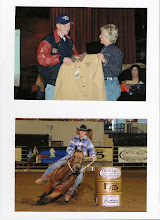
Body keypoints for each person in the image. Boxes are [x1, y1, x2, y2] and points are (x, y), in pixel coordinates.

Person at [35, 124, 96, 201]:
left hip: (79, 160)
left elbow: (91, 149)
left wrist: (93, 156)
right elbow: (69, 148)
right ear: (79, 131)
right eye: (81, 131)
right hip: (70, 157)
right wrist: (71, 154)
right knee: (55, 165)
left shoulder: (87, 141)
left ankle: (69, 191)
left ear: (85, 132)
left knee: (79, 178)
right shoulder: (74, 139)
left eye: (83, 131)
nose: (82, 133)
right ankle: (44, 177)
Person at [37, 13, 78, 100]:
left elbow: (76, 57)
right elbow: (42, 59)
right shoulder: (48, 40)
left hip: (67, 82)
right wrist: (60, 59)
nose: (68, 28)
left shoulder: (70, 41)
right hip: (53, 83)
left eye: (69, 25)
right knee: (52, 110)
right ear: (57, 25)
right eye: (64, 25)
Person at [97, 24, 124, 101]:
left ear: (108, 36)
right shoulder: (104, 50)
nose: (99, 36)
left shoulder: (116, 51)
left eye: (102, 34)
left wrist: (104, 60)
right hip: (104, 84)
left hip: (110, 85)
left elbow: (117, 71)